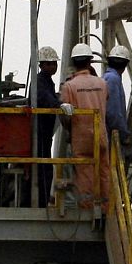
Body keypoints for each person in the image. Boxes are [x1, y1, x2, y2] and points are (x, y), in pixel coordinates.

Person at [59, 42, 109, 208]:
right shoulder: (102, 83)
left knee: (85, 174)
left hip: (81, 138)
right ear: (90, 62)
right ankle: (106, 206)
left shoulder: (69, 86)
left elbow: (65, 116)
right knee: (104, 170)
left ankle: (88, 207)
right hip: (101, 135)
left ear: (73, 63)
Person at [35, 46, 62, 206]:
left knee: (45, 168)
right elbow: (48, 101)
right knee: (43, 169)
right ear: (42, 65)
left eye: (54, 63)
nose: (53, 67)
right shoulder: (40, 82)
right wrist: (60, 102)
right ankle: (41, 201)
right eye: (49, 64)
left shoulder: (47, 81)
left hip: (45, 132)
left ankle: (43, 200)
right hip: (40, 131)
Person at [103, 45, 132, 147]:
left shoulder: (106, 77)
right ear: (125, 64)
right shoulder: (113, 79)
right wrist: (124, 134)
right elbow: (113, 112)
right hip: (111, 136)